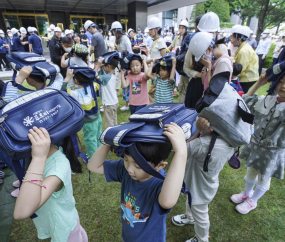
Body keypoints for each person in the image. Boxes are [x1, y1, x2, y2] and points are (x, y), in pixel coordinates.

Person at [87, 122, 188, 242]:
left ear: (159, 165)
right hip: (129, 237)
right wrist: (110, 140)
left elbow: (167, 202)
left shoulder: (161, 184)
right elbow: (93, 166)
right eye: (125, 159)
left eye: (138, 166)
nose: (129, 169)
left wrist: (181, 153)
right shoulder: (125, 170)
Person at [13, 125, 88, 241]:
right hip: (62, 221)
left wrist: (39, 158)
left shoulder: (58, 167)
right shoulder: (50, 156)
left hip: (65, 232)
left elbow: (21, 212)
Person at [230, 61, 285, 214]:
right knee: (251, 171)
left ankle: (253, 201)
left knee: (264, 177)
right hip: (256, 146)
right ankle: (247, 194)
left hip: (272, 152)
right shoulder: (267, 100)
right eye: (280, 81)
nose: (283, 86)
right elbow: (244, 102)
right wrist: (258, 83)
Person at [172, 115, 235, 242]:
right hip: (206, 184)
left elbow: (181, 149)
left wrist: (198, 129)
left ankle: (201, 239)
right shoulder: (230, 141)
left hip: (199, 186)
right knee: (191, 199)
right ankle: (190, 217)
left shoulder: (202, 143)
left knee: (201, 215)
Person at [62, 68, 101, 159]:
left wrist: (67, 78)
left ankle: (93, 158)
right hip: (97, 117)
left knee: (90, 140)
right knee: (98, 136)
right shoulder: (93, 86)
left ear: (75, 80)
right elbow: (99, 82)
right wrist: (95, 74)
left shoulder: (75, 93)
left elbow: (63, 91)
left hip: (88, 121)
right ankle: (100, 153)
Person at [231, 25, 259, 93]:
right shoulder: (244, 47)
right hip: (248, 76)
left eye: (232, 38)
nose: (231, 41)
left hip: (247, 78)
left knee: (239, 96)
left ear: (238, 38)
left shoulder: (243, 51)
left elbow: (240, 69)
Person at [94, 54, 119, 129]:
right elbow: (100, 74)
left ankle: (111, 137)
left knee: (109, 123)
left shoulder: (106, 77)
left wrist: (98, 65)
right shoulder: (112, 75)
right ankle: (116, 134)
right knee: (114, 120)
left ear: (108, 67)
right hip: (114, 102)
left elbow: (93, 76)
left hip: (109, 104)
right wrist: (102, 67)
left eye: (104, 65)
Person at [146, 16, 167, 104]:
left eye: (151, 29)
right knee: (152, 92)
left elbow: (164, 58)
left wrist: (151, 60)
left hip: (159, 71)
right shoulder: (152, 40)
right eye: (149, 29)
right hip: (154, 69)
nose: (149, 31)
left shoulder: (161, 41)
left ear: (157, 29)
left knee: (153, 92)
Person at [110, 21, 133, 97]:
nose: (113, 32)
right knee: (117, 75)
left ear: (116, 30)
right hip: (119, 61)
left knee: (125, 77)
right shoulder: (117, 39)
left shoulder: (126, 38)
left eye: (113, 30)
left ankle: (128, 95)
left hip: (126, 62)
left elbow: (130, 52)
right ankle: (117, 91)